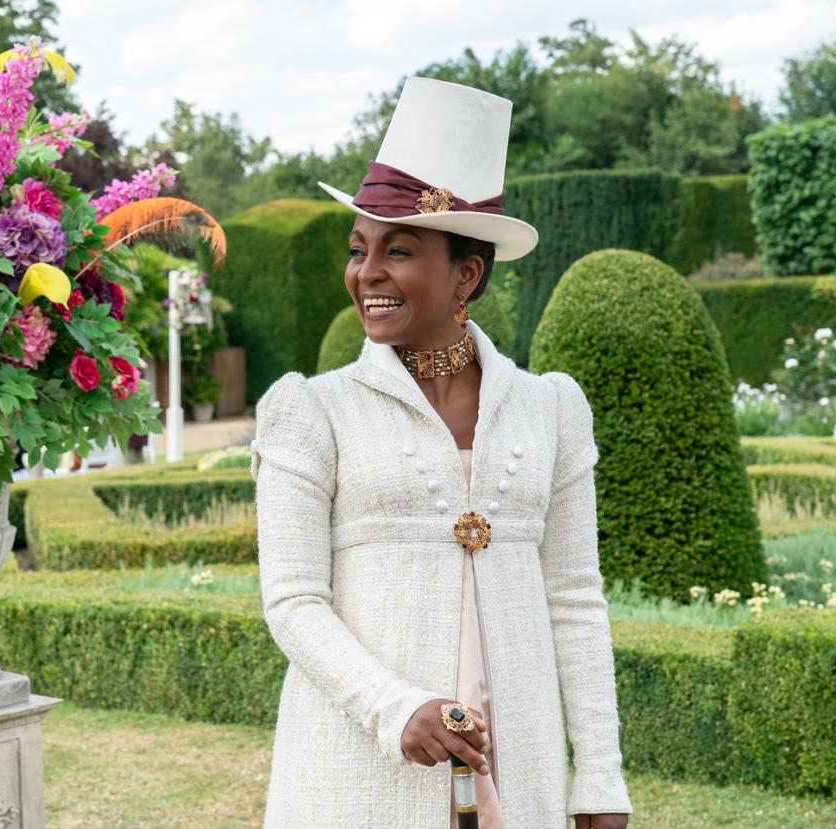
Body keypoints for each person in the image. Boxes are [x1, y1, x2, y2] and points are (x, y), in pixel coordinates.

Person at [250, 77, 632, 828]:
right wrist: (399, 708)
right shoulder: (310, 409)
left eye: (398, 249)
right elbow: (293, 602)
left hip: (518, 775)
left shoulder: (551, 408)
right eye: (359, 250)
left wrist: (601, 777)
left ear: (467, 274)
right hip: (358, 770)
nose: (367, 273)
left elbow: (576, 599)